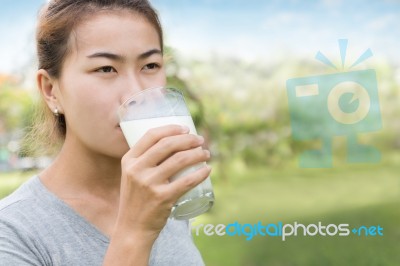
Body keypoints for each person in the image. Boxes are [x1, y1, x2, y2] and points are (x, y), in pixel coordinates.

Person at [0, 0, 211, 265]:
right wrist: (135, 232)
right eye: (105, 69)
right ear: (51, 90)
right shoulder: (13, 233)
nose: (136, 94)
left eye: (150, 66)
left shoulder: (164, 193)